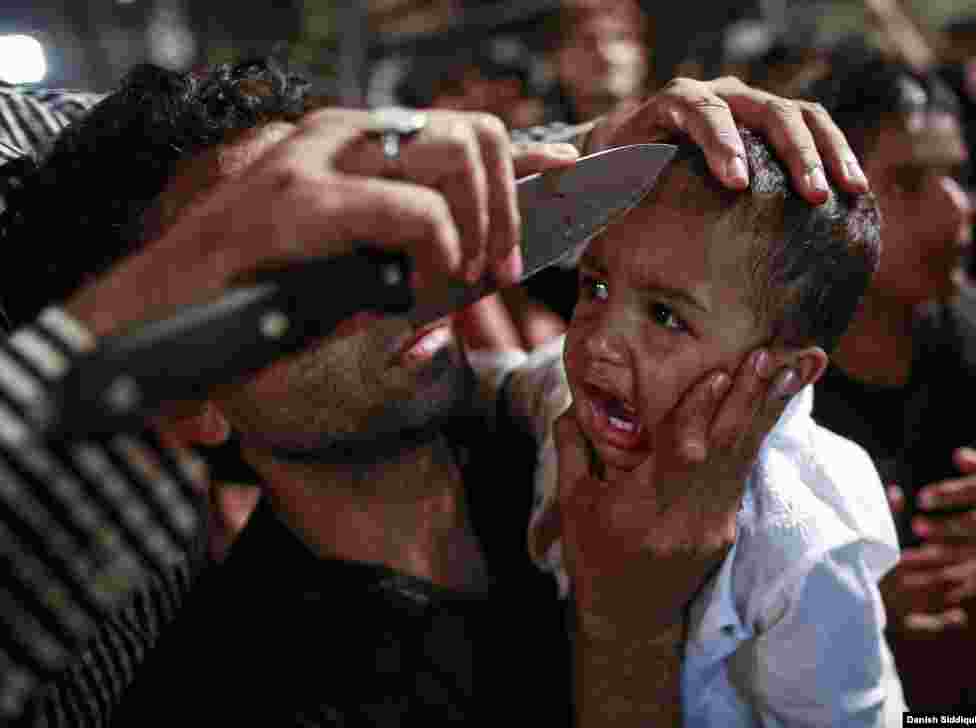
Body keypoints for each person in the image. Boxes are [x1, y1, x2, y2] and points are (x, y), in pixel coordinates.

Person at [1, 58, 868, 725]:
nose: (398, 275)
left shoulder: (597, 426)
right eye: (293, 269)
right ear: (189, 401)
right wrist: (629, 632)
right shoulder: (234, 691)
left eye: (368, 213)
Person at [469, 126, 902, 726]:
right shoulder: (572, 396)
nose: (599, 341)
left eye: (666, 317)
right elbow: (496, 387)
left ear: (784, 375)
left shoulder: (796, 549)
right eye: (595, 286)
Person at [808, 54, 976, 711]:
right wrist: (838, 613)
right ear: (825, 199)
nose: (956, 208)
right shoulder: (776, 387)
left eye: (955, 174)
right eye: (907, 182)